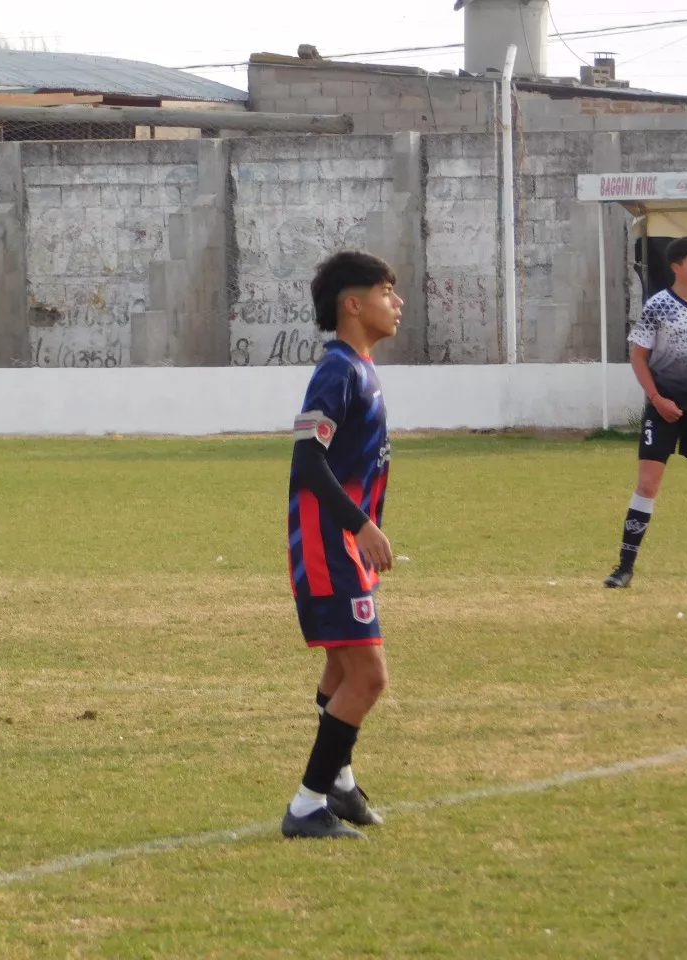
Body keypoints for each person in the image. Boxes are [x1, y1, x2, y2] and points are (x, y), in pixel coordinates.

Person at [281, 250, 402, 840]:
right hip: (329, 546)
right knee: (369, 677)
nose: (396, 302)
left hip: (343, 545)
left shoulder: (360, 367)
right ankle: (307, 805)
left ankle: (342, 785)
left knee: (340, 667)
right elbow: (308, 459)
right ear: (352, 304)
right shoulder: (337, 371)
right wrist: (360, 525)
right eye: (386, 291)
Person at [605, 236, 687, 589]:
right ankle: (624, 568)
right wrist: (657, 399)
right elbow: (638, 357)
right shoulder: (657, 306)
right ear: (675, 267)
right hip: (663, 410)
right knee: (647, 485)